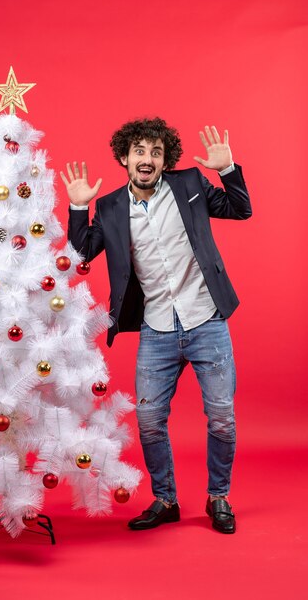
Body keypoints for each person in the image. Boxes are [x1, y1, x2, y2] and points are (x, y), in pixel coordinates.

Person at [61, 118, 252, 534]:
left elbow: (241, 209)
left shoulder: (190, 186)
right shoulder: (110, 207)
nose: (147, 160)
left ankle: (218, 496)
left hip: (206, 319)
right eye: (139, 152)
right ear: (125, 158)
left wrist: (226, 169)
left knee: (222, 417)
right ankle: (166, 500)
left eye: (156, 152)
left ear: (166, 159)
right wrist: (78, 207)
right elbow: (80, 255)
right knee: (149, 420)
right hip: (157, 328)